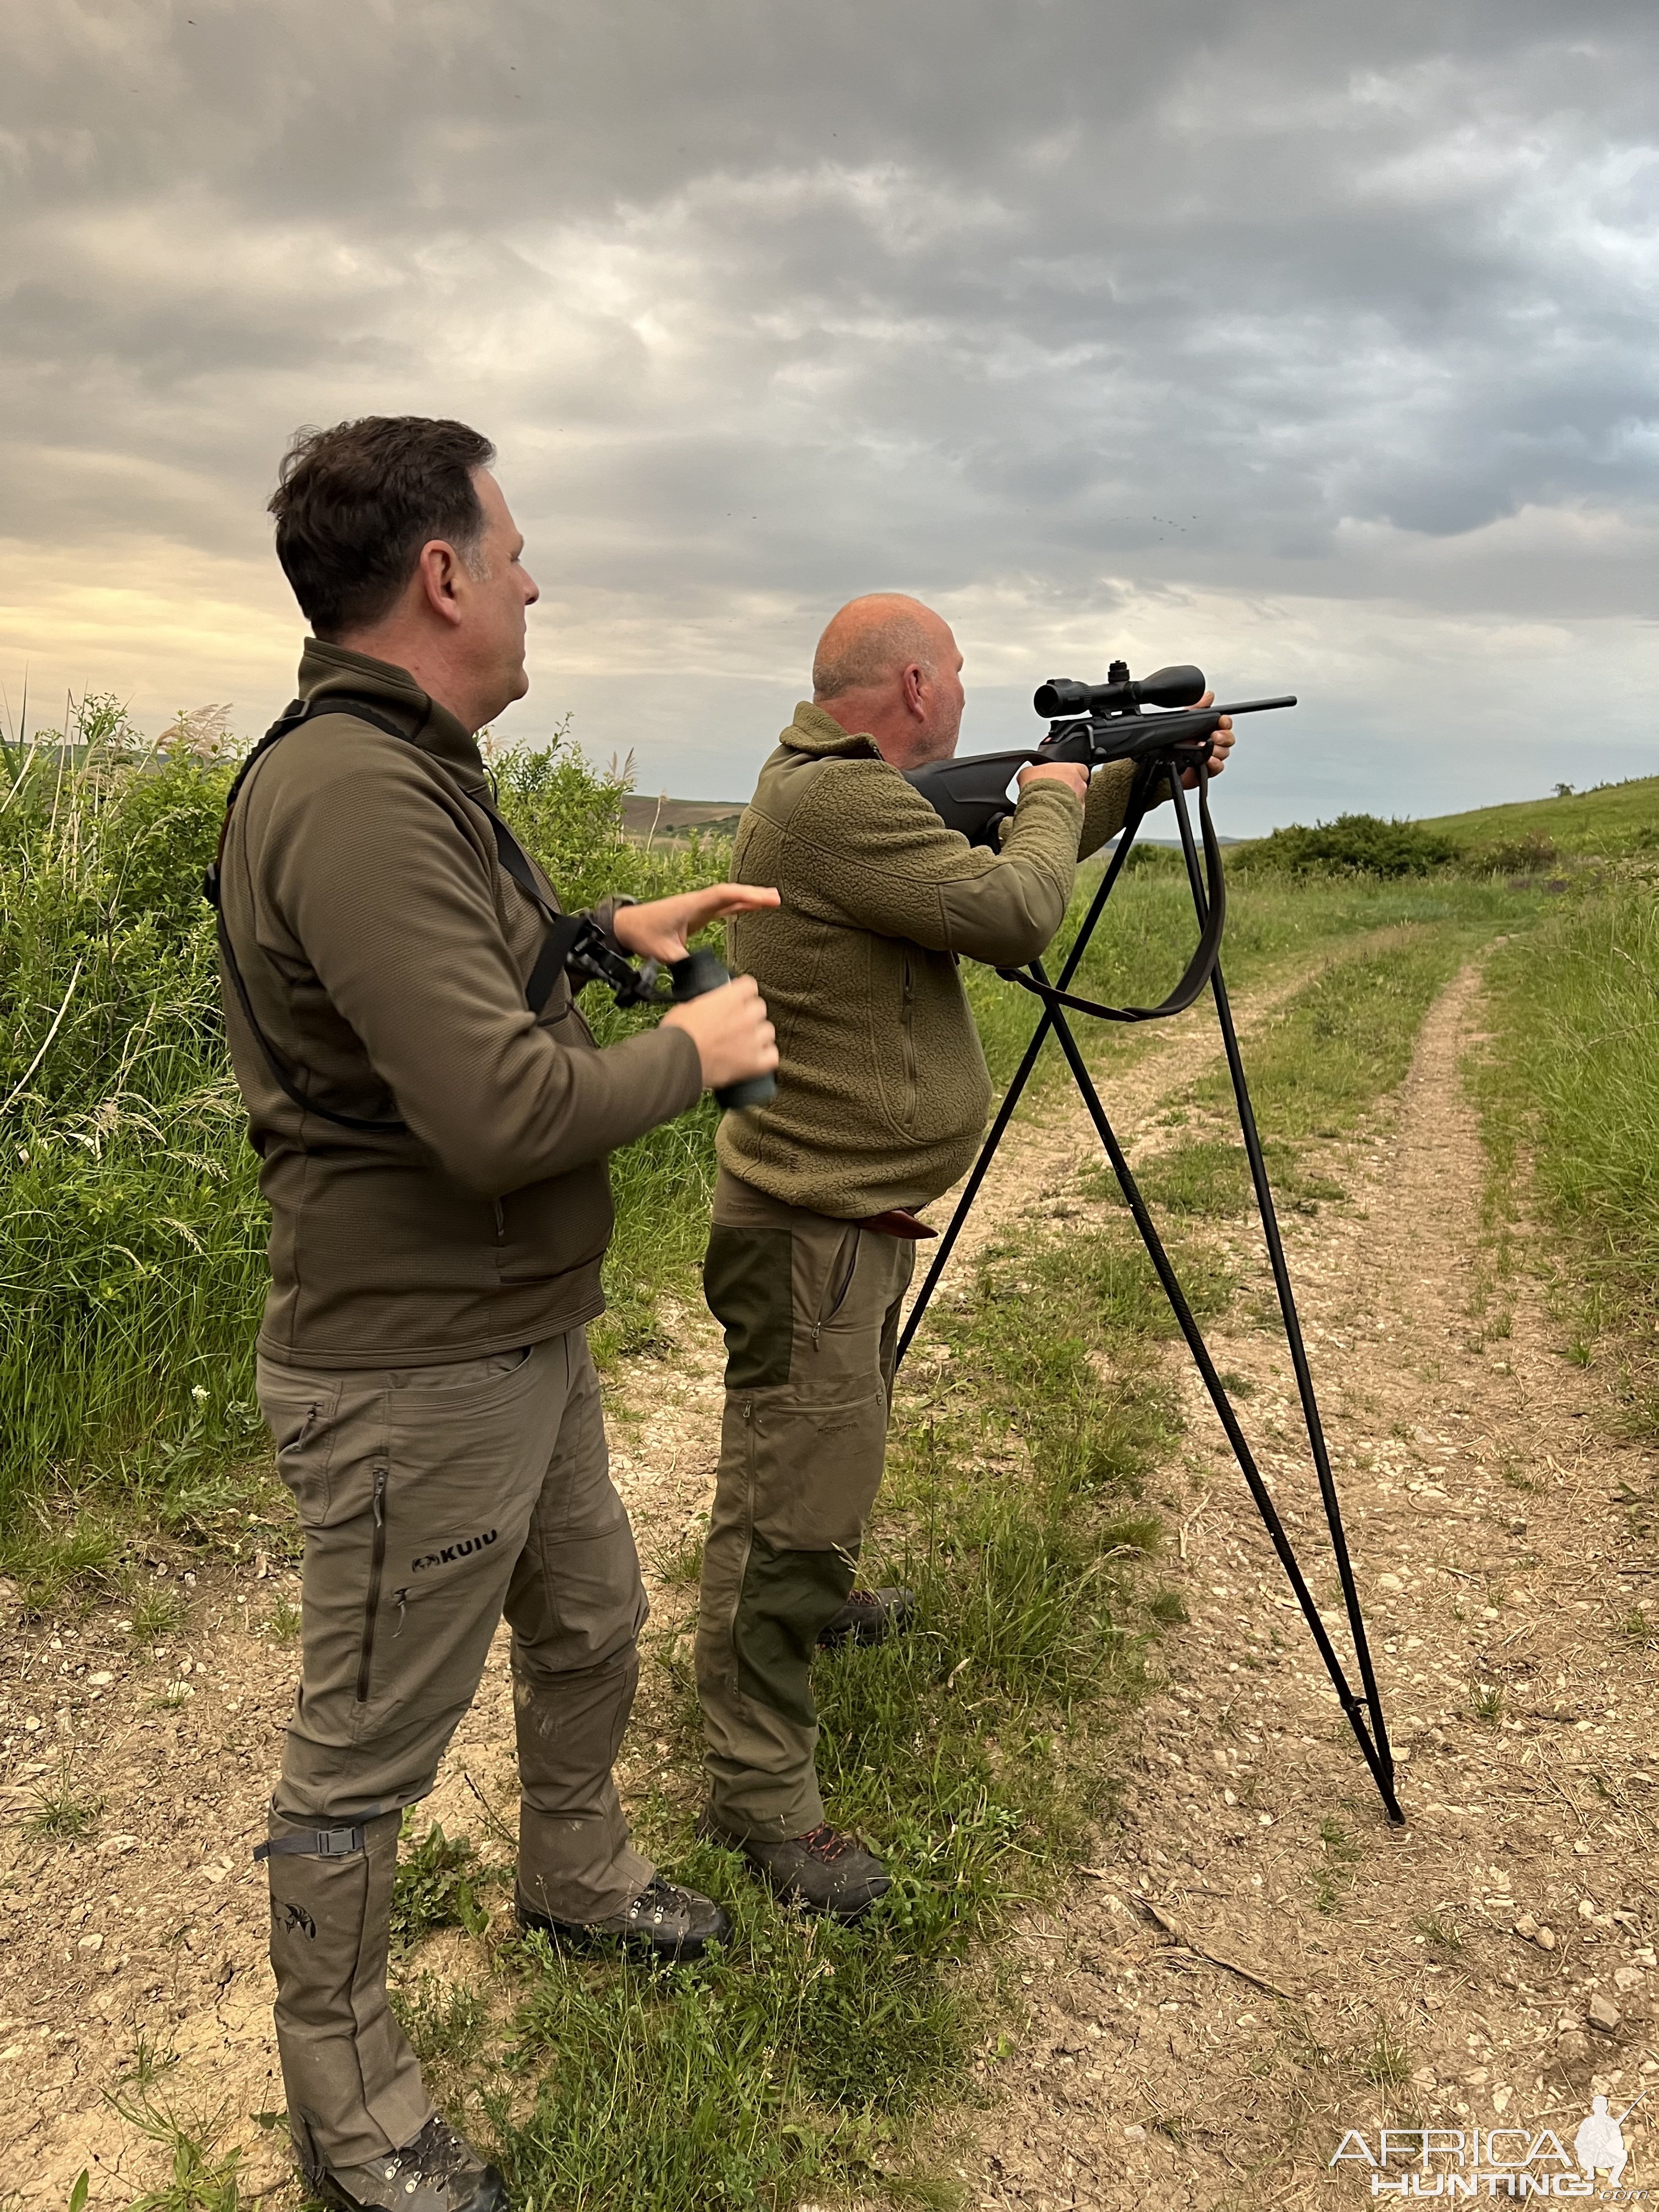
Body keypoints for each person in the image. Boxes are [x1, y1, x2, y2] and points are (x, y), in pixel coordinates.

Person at [221, 416, 778, 2212]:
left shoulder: (417, 764)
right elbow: (495, 1115)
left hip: (515, 1337)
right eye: (514, 549)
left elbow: (483, 974)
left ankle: (575, 1871)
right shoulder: (352, 792)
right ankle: (352, 2103)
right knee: (363, 1754)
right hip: (412, 1368)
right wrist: (690, 1046)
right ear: (443, 575)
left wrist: (613, 932)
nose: (535, 579)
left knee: (594, 1611)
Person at [695, 592, 1235, 1918]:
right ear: (918, 684)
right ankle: (762, 1794)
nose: (969, 703)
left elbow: (986, 853)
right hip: (814, 1226)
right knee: (786, 1509)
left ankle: (816, 1607)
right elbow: (1013, 911)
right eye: (961, 680)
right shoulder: (837, 806)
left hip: (836, 1219)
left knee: (809, 1456)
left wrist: (1130, 784)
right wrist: (1064, 793)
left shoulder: (836, 792)